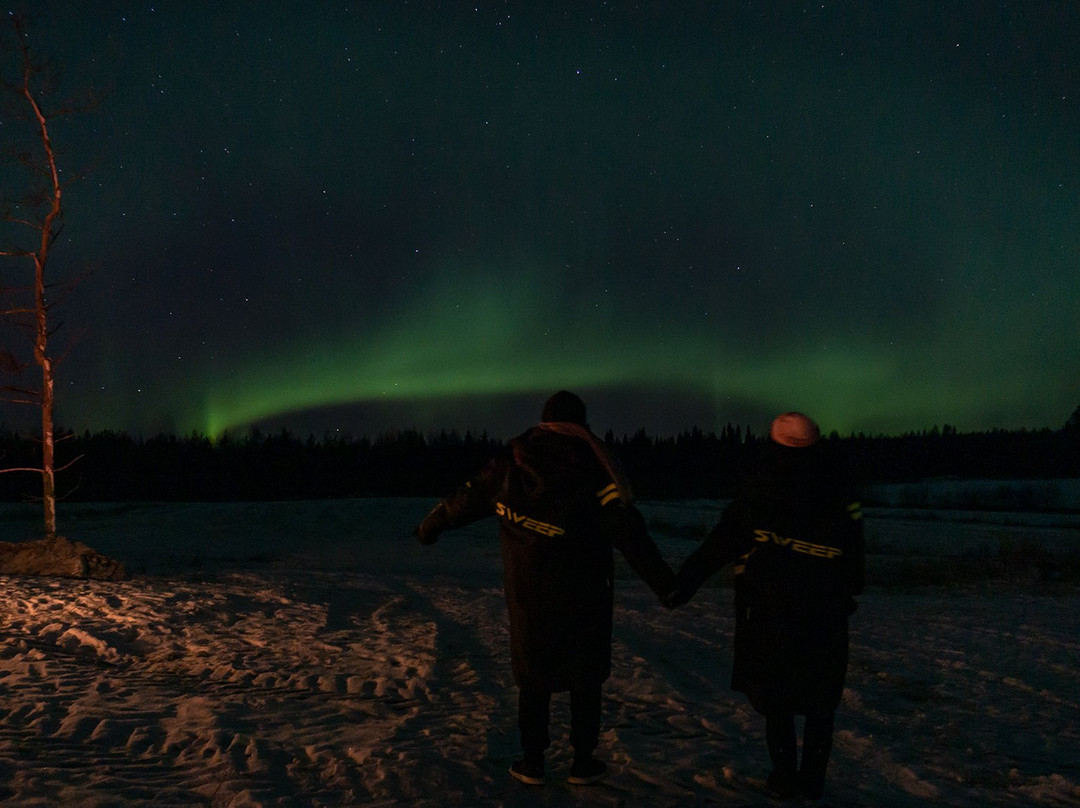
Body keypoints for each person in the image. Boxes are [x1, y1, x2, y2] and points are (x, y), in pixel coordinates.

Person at [415, 391, 676, 787]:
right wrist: (664, 584)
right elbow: (629, 533)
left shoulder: (508, 468)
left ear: (544, 421)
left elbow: (462, 500)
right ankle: (582, 762)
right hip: (585, 592)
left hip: (528, 591)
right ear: (581, 425)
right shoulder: (596, 469)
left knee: (534, 676)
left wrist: (428, 529)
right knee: (585, 677)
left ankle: (533, 760)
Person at [665, 412, 864, 801]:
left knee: (778, 698)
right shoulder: (840, 491)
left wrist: (679, 588)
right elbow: (854, 554)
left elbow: (718, 546)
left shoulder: (761, 490)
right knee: (821, 699)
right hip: (826, 612)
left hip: (771, 612)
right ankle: (812, 782)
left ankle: (785, 778)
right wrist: (848, 590)